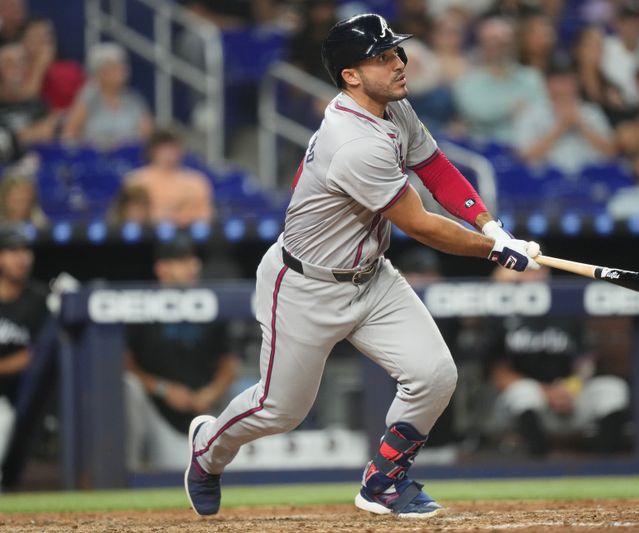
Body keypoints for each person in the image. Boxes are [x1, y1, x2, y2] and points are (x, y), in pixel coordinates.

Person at [184, 13, 541, 519]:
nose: (398, 63)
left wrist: (489, 225)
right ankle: (207, 450)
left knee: (435, 375)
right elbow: (419, 224)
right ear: (350, 75)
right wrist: (493, 252)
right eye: (382, 57)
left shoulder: (393, 109)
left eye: (396, 52)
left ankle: (383, 483)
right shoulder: (353, 142)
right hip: (306, 285)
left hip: (371, 276)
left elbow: (435, 168)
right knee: (280, 410)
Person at [486, 265, 629, 456]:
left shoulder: (566, 309)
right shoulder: (504, 312)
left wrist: (570, 388)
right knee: (523, 393)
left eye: (538, 270)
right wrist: (546, 392)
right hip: (528, 404)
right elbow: (498, 372)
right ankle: (536, 463)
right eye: (527, 270)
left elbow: (586, 361)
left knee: (613, 389)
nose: (534, 276)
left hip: (569, 398)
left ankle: (603, 465)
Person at [125, 235, 239, 471]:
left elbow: (230, 364)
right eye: (181, 260)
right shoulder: (143, 304)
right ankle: (126, 472)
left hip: (202, 414)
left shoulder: (209, 302)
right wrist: (162, 389)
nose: (192, 265)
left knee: (242, 392)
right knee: (128, 386)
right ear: (161, 268)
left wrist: (210, 393)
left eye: (192, 258)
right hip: (156, 414)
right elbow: (124, 363)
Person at [0, 224, 48, 482]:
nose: (22, 257)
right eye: (12, 250)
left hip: (10, 399)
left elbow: (36, 355)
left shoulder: (38, 300)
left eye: (25, 250)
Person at [514, 56, 615, 175]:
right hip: (546, 182)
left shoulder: (592, 112)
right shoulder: (532, 114)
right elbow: (525, 156)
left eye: (571, 78)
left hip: (591, 180)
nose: (567, 85)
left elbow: (611, 152)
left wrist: (581, 126)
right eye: (560, 80)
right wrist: (561, 127)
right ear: (548, 84)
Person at [452, 17, 546, 144]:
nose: (498, 46)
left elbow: (540, 112)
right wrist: (512, 107)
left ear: (514, 44)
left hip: (526, 146)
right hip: (484, 147)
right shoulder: (468, 80)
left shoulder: (531, 77)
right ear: (481, 44)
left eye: (504, 42)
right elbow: (478, 112)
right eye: (492, 41)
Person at [62, 43, 153, 149]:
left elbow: (148, 136)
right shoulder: (88, 98)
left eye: (122, 66)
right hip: (94, 159)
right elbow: (70, 134)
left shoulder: (135, 100)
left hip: (129, 158)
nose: (121, 71)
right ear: (100, 73)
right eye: (114, 68)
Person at [124, 129, 214, 226]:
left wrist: (178, 217)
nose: (169, 153)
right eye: (164, 148)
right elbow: (131, 215)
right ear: (152, 151)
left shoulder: (196, 181)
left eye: (173, 148)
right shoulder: (136, 181)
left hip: (188, 236)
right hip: (147, 235)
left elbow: (206, 215)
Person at [20, 17, 85, 111]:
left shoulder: (71, 69)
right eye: (36, 36)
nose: (44, 41)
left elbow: (86, 103)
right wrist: (39, 67)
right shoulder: (17, 70)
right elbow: (22, 102)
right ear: (24, 42)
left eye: (47, 35)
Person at [600, 0, 639, 107]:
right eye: (629, 21)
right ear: (618, 23)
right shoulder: (606, 47)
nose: (634, 26)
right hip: (613, 106)